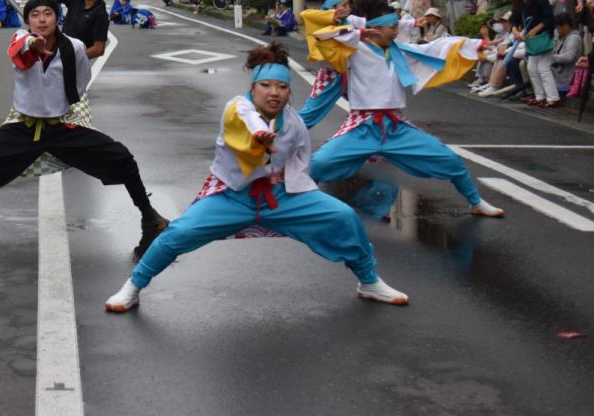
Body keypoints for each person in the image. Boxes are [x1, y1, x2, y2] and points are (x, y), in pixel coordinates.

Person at [103, 43, 408, 314]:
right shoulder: (237, 107)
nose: (274, 93)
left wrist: (302, 190)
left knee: (343, 218)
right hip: (233, 196)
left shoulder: (295, 123)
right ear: (253, 86)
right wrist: (262, 135)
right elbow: (246, 121)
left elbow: (301, 162)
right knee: (177, 234)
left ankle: (369, 282)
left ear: (289, 91)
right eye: (266, 85)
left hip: (283, 197)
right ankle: (133, 287)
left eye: (282, 87)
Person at [0, 0, 168, 257]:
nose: (41, 19)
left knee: (122, 158)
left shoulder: (75, 47)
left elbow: (81, 82)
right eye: (34, 14)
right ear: (27, 21)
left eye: (47, 13)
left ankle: (149, 216)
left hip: (59, 128)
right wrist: (34, 43)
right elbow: (22, 48)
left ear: (57, 17)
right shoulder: (19, 40)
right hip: (23, 128)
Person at [309, 0, 505, 218]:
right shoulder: (353, 51)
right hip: (362, 126)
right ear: (375, 29)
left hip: (395, 127)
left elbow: (440, 48)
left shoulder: (402, 52)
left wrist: (478, 46)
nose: (396, 31)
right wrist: (360, 32)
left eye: (396, 26)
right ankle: (305, 203)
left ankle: (475, 202)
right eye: (391, 27)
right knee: (318, 164)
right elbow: (322, 36)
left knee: (450, 161)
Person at [0, 0, 113, 59]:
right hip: (59, 51)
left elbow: (99, 49)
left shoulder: (100, 14)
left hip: (77, 61)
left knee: (70, 92)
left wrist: (72, 58)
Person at [297, 0, 355, 128]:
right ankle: (282, 134)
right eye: (343, 5)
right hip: (332, 75)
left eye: (348, 4)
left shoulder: (350, 20)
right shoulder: (324, 22)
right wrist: (330, 15)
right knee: (309, 114)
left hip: (352, 74)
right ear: (331, 9)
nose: (347, 8)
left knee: (370, 106)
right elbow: (305, 14)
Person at [509, 0, 558, 107]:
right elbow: (514, 19)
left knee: (543, 68)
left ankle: (553, 98)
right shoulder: (518, 0)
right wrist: (514, 31)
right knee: (531, 68)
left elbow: (549, 18)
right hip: (530, 39)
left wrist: (535, 30)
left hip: (543, 36)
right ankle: (540, 96)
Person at [549, 12, 584, 100]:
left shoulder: (573, 38)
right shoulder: (564, 37)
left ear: (566, 25)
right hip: (561, 71)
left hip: (567, 75)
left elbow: (569, 57)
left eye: (558, 27)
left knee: (542, 68)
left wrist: (551, 58)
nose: (557, 30)